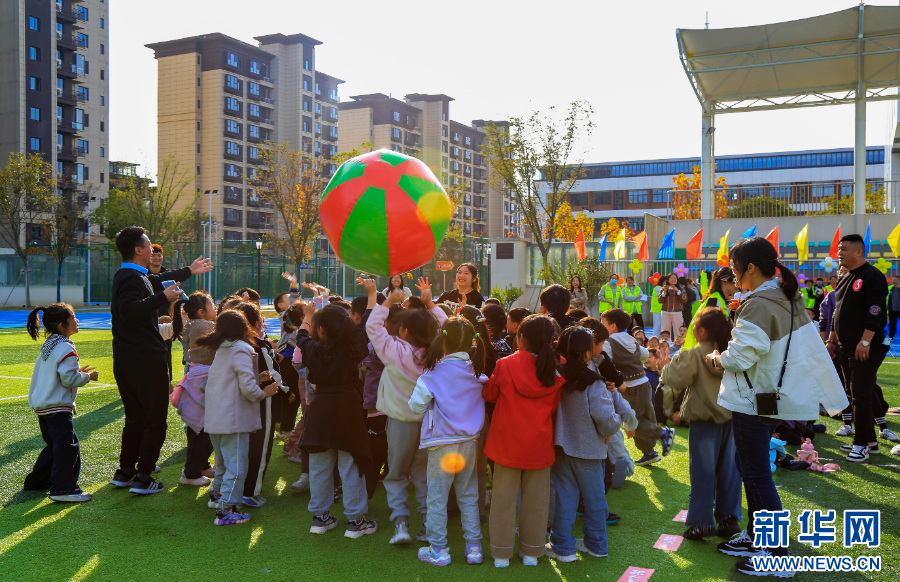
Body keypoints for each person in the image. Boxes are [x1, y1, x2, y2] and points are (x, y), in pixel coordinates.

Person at [708, 236, 846, 576]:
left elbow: (740, 357)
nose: (733, 277)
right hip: (769, 395)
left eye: (735, 270)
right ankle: (759, 538)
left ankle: (776, 555)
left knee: (756, 474)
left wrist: (716, 359)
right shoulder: (785, 295)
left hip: (754, 399)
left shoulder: (760, 302)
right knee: (749, 466)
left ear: (751, 268)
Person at [109, 226, 212, 496]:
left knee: (136, 419)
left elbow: (158, 279)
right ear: (138, 250)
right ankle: (143, 478)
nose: (152, 247)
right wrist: (163, 298)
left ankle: (125, 472)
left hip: (128, 359)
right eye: (148, 243)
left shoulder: (133, 275)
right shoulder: (131, 277)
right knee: (154, 421)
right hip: (145, 360)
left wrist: (189, 270)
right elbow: (128, 310)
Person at [366, 279, 447, 545]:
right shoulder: (437, 353)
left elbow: (372, 327)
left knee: (397, 474)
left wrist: (389, 300)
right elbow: (447, 326)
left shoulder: (394, 351)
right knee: (423, 475)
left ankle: (401, 524)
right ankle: (427, 524)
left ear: (404, 331)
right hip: (429, 423)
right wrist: (430, 303)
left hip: (400, 423)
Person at [482, 315, 566, 568]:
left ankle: (501, 554)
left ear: (520, 338)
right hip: (539, 445)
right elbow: (553, 408)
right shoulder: (553, 368)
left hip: (506, 444)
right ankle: (531, 552)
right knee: (536, 502)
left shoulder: (506, 364)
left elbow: (490, 394)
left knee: (503, 501)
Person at [409, 317, 488, 567]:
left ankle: (439, 549)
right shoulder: (477, 373)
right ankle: (474, 548)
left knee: (437, 497)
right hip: (469, 442)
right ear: (471, 342)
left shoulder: (433, 374)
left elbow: (415, 407)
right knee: (469, 495)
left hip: (442, 443)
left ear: (443, 341)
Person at [296, 303, 377, 538]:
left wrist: (308, 316)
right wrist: (372, 297)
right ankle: (356, 521)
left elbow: (302, 336)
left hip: (320, 411)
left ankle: (320, 518)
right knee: (350, 466)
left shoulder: (312, 349)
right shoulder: (354, 347)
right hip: (348, 410)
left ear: (320, 329)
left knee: (319, 468)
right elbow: (367, 325)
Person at [661, 309, 741, 541]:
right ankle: (728, 519)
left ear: (702, 331)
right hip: (733, 418)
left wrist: (666, 364)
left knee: (703, 473)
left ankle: (701, 523)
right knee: (730, 471)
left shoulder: (696, 353)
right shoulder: (733, 352)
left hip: (705, 419)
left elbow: (674, 378)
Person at [544, 326, 622, 563]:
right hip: (589, 449)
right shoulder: (593, 381)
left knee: (565, 497)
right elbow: (604, 417)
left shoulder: (556, 375)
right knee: (595, 498)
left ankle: (562, 546)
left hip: (561, 445)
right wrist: (615, 423)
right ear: (588, 352)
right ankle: (596, 544)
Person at [198, 309, 279, 526]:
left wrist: (256, 377)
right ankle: (226, 509)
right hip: (233, 420)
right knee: (236, 466)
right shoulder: (241, 350)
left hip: (216, 417)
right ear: (245, 330)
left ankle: (217, 496)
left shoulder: (222, 349)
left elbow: (230, 381)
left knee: (223, 464)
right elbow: (248, 390)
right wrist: (264, 392)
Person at [829, 234, 895, 462]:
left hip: (866, 346)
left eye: (844, 249)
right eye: (839, 249)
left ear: (859, 251)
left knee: (860, 395)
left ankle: (861, 445)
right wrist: (832, 341)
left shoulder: (871, 275)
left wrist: (865, 341)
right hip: (846, 346)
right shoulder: (846, 277)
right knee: (853, 393)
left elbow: (876, 310)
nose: (839, 253)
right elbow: (837, 313)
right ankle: (870, 442)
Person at [23, 304, 98, 503]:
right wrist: (87, 376)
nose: (77, 320)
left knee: (55, 445)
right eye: (73, 317)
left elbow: (57, 373)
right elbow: (68, 379)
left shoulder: (50, 345)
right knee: (67, 447)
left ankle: (37, 480)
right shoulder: (66, 346)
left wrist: (77, 372)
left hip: (43, 405)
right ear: (62, 325)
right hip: (57, 406)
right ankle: (64, 488)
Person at [601, 308, 674, 466]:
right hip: (643, 382)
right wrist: (634, 364)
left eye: (603, 323)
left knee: (632, 421)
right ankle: (649, 452)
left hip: (630, 387)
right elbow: (645, 355)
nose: (601, 326)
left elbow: (604, 361)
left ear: (612, 326)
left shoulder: (608, 343)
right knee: (644, 418)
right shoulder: (630, 339)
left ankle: (663, 433)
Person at [234, 302, 290, 508]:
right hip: (261, 400)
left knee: (240, 447)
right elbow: (272, 374)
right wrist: (287, 392)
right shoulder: (257, 345)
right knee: (261, 444)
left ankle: (231, 490)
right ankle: (250, 492)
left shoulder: (230, 344)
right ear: (257, 323)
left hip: (236, 403)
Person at [171, 291, 217, 486]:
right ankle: (191, 474)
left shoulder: (197, 324)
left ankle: (200, 466)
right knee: (203, 428)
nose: (215, 308)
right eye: (212, 304)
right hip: (203, 379)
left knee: (200, 427)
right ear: (201, 312)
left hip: (199, 376)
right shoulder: (205, 326)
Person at [685, 267, 738, 350]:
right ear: (724, 281)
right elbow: (712, 331)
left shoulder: (719, 299)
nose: (737, 283)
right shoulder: (715, 300)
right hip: (699, 351)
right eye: (735, 279)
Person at [657, 273, 687, 338]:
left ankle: (678, 343)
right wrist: (664, 292)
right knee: (665, 331)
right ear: (668, 280)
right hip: (665, 312)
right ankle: (665, 343)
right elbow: (660, 300)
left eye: (675, 278)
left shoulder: (681, 289)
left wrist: (677, 291)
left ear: (677, 280)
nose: (673, 279)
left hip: (677, 313)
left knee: (678, 331)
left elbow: (684, 300)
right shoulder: (663, 288)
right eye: (671, 278)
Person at [888, 275, 900, 340]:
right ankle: (891, 337)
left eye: (896, 280)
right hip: (892, 309)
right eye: (894, 280)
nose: (895, 281)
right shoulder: (889, 288)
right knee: (892, 324)